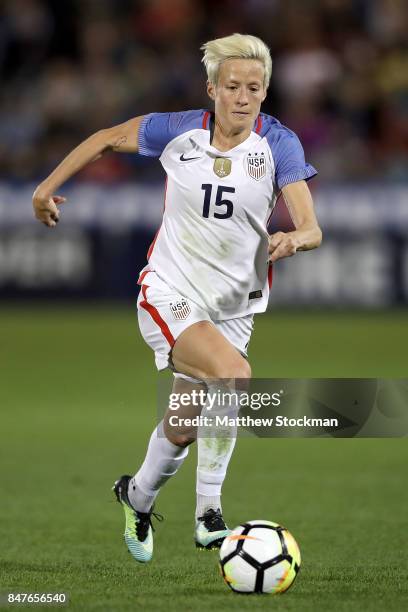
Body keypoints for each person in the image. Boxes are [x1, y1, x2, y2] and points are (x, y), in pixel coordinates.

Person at [32, 33, 322, 564]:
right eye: (232, 86)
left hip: (234, 306)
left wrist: (292, 238)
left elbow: (311, 227)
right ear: (212, 88)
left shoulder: (277, 144)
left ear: (264, 93)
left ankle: (136, 496)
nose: (242, 97)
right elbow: (102, 138)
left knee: (186, 422)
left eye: (253, 88)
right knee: (234, 376)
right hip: (168, 290)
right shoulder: (178, 130)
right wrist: (43, 189)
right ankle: (209, 515)